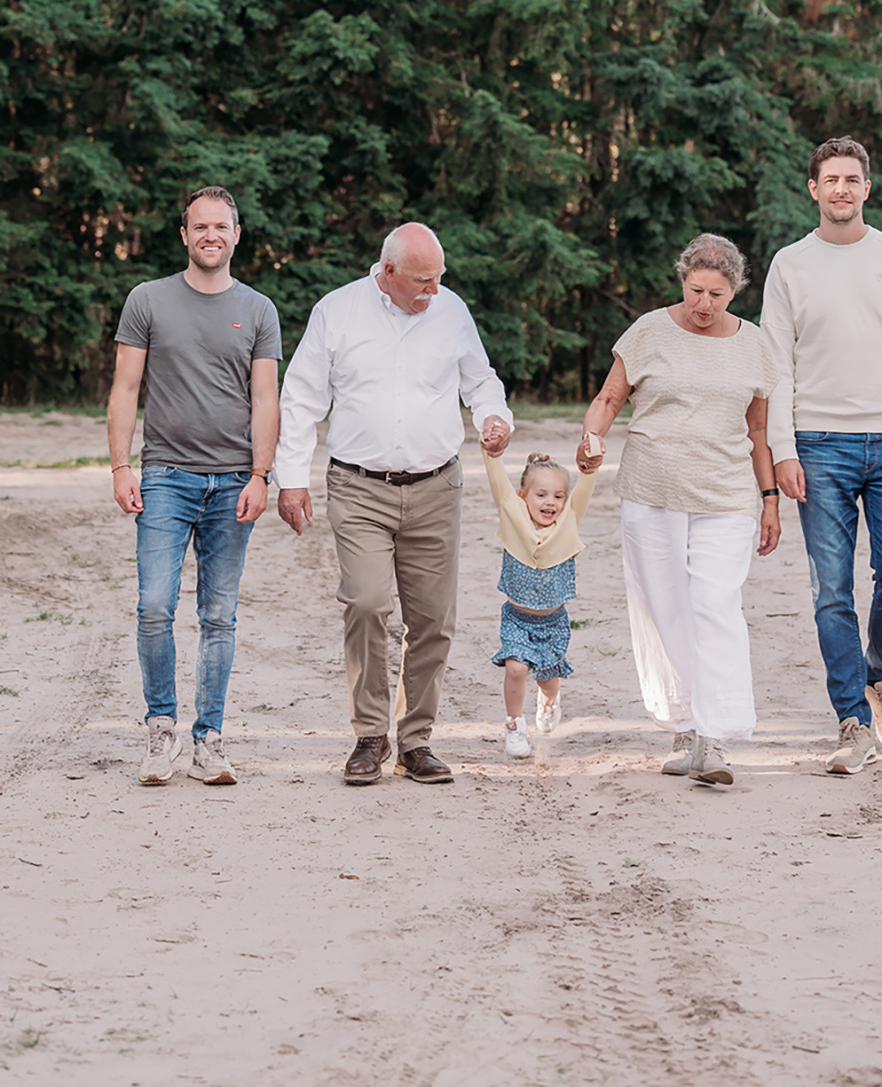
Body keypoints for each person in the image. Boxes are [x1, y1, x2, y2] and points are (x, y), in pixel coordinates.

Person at [274, 222, 512, 785]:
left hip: (436, 486)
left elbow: (480, 382)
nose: (434, 290)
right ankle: (369, 735)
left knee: (433, 620)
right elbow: (302, 397)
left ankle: (417, 740)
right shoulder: (336, 312)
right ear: (388, 273)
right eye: (423, 280)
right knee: (366, 603)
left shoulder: (451, 311)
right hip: (358, 487)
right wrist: (291, 479)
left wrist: (493, 418)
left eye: (439, 278)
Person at [763, 138, 882, 777]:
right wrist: (782, 449)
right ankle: (852, 721)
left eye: (852, 178)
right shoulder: (789, 264)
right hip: (818, 446)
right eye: (830, 179)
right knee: (830, 590)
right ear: (813, 189)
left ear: (866, 189)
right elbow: (777, 367)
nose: (841, 188)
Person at [578, 233, 780, 787]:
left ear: (735, 290)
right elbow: (609, 399)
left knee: (714, 605)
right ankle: (686, 724)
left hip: (726, 497)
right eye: (696, 290)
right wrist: (591, 438)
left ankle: (716, 736)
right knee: (665, 607)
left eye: (717, 293)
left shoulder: (756, 345)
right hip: (652, 491)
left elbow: (758, 428)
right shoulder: (647, 331)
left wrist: (769, 500)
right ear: (682, 281)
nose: (704, 304)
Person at [107, 185, 282, 787]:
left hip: (234, 482)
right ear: (184, 235)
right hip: (164, 478)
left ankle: (209, 739)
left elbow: (265, 397)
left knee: (219, 616)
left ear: (237, 235)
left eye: (221, 227)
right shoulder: (147, 300)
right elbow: (126, 388)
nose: (211, 235)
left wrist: (262, 475)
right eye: (199, 226)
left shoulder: (259, 309)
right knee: (154, 606)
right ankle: (161, 729)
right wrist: (121, 466)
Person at [480, 445, 600, 758]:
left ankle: (548, 700)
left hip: (553, 622)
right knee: (516, 669)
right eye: (541, 495)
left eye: (558, 496)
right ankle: (515, 726)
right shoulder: (512, 516)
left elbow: (583, 490)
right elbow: (499, 483)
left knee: (548, 680)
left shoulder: (568, 523)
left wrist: (590, 469)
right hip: (517, 619)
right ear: (523, 496)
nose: (550, 502)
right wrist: (490, 451)